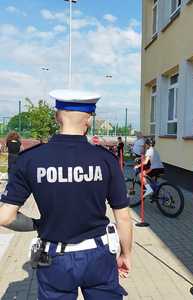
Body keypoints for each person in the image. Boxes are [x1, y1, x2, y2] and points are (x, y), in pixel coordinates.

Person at [0, 89, 133, 300]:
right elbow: (123, 217)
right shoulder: (105, 159)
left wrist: (37, 224)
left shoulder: (30, 159)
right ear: (89, 119)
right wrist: (126, 254)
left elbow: (4, 217)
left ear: (56, 116)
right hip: (99, 255)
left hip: (54, 258)